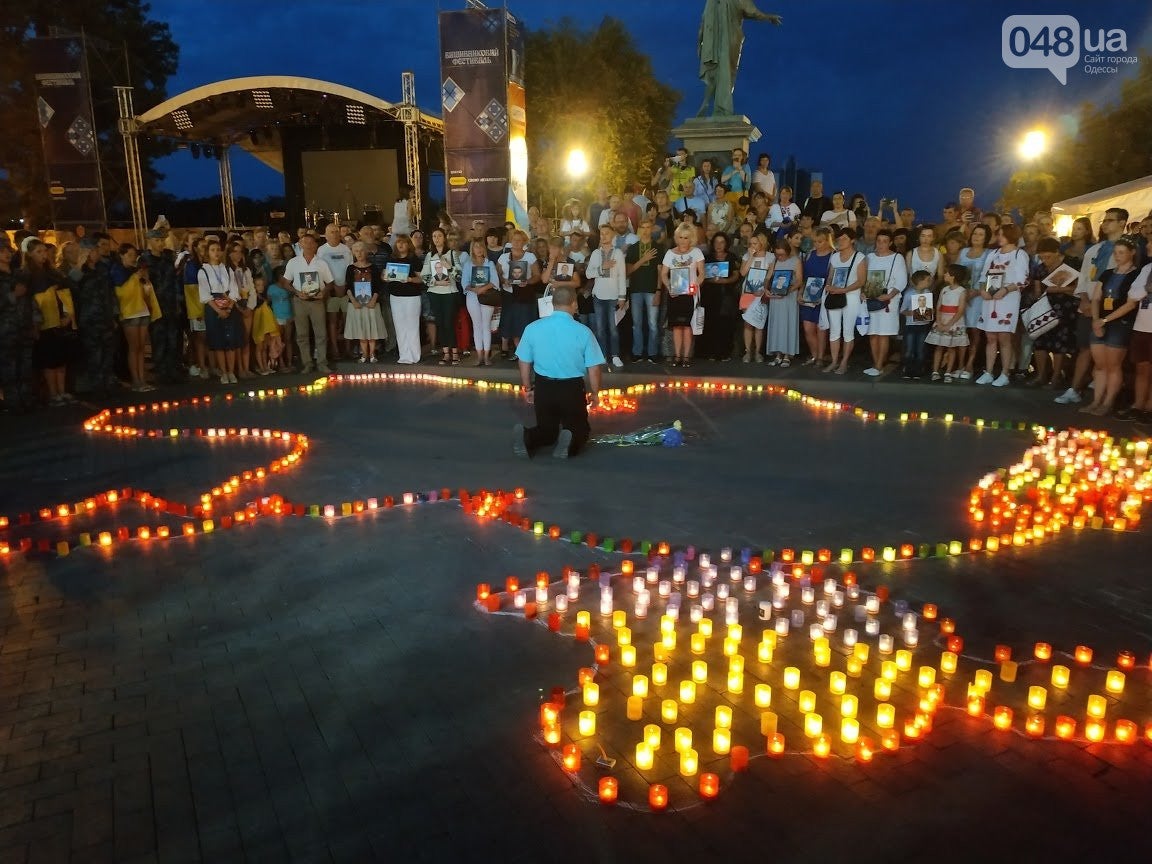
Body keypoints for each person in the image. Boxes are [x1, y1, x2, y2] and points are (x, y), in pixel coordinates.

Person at [513, 283, 604, 460]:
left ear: (552, 303)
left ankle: (527, 436)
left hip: (543, 386)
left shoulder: (532, 328)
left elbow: (524, 361)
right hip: (571, 388)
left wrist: (528, 388)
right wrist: (595, 392)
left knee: (546, 431)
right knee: (580, 429)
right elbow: (594, 368)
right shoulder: (583, 332)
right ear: (575, 304)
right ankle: (570, 439)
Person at [1056, 207, 1128, 405]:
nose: (1105, 224)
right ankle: (1075, 388)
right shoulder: (1094, 250)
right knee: (1085, 348)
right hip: (1088, 305)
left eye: (1110, 220)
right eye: (1104, 221)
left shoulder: (1128, 247)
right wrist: (1085, 300)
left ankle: (1107, 395)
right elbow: (1085, 278)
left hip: (1113, 309)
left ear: (1122, 223)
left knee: (1110, 352)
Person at [1080, 236, 1141, 416]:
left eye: (1122, 253)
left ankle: (1108, 402)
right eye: (1115, 253)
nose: (1117, 256)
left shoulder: (1135, 274)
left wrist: (1105, 320)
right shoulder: (1107, 273)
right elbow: (1097, 297)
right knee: (1100, 365)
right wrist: (1096, 319)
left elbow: (1130, 304)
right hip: (1101, 321)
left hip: (1120, 323)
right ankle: (1096, 400)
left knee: (1113, 365)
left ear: (1132, 253)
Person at [696, 0, 782, 117]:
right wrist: (768, 17)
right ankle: (718, 108)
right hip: (725, 40)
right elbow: (753, 12)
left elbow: (703, 21)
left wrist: (700, 42)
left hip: (719, 40)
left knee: (717, 72)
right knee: (723, 73)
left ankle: (713, 107)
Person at [23, 239, 78, 405]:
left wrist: (68, 314)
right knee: (49, 360)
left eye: (44, 251)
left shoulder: (53, 273)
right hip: (44, 322)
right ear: (29, 254)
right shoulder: (28, 275)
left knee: (61, 358)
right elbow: (30, 302)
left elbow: (66, 292)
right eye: (38, 252)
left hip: (60, 319)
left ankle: (62, 391)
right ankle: (53, 393)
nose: (43, 255)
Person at [975, 224, 1029, 387]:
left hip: (1007, 299)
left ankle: (1005, 372)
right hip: (990, 299)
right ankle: (989, 372)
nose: (999, 237)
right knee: (990, 336)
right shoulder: (993, 254)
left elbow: (1023, 280)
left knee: (1004, 337)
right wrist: (982, 289)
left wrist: (1006, 289)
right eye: (998, 234)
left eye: (1002, 234)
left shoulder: (1020, 254)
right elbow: (983, 276)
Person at [1026, 237, 1080, 388]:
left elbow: (1079, 289)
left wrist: (1057, 289)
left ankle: (1056, 377)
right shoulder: (1040, 268)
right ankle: (1041, 375)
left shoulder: (1071, 264)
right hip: (1044, 309)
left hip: (1065, 308)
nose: (1045, 260)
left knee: (1059, 344)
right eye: (1042, 257)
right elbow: (1037, 290)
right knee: (1039, 342)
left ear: (1057, 252)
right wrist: (1036, 294)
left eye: (1048, 256)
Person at [280, 234, 334, 374]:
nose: (309, 245)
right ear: (300, 244)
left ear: (315, 245)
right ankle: (307, 363)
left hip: (317, 302)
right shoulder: (293, 262)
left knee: (321, 333)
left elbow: (330, 283)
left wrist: (324, 292)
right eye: (306, 242)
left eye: (311, 242)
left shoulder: (321, 263)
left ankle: (322, 363)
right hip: (300, 302)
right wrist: (296, 292)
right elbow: (285, 283)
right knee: (302, 335)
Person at [72, 238, 118, 395]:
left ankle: (107, 383)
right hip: (89, 320)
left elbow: (110, 293)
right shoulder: (79, 271)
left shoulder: (103, 268)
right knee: (94, 355)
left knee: (108, 353)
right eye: (94, 250)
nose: (97, 252)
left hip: (105, 317)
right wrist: (80, 264)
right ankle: (96, 386)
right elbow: (71, 286)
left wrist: (113, 314)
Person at [112, 243, 160, 392]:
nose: (133, 258)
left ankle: (142, 379)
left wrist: (145, 280)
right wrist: (134, 278)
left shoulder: (136, 272)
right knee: (133, 348)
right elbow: (121, 295)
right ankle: (136, 380)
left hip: (142, 311)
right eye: (130, 255)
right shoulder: (118, 271)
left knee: (141, 347)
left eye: (134, 255)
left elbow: (147, 292)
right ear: (122, 255)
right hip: (129, 313)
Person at [860, 229, 908, 375]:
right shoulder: (869, 257)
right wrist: (862, 291)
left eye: (884, 241)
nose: (881, 244)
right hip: (871, 298)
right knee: (872, 333)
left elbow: (901, 280)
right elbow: (863, 278)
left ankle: (880, 365)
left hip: (888, 301)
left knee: (883, 333)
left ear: (890, 243)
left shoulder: (897, 258)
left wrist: (890, 295)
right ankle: (876, 364)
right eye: (879, 241)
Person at [197, 239, 242, 384]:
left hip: (229, 304)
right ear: (208, 253)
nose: (216, 252)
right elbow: (205, 295)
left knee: (231, 340)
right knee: (219, 341)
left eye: (218, 249)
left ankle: (231, 371)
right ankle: (224, 372)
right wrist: (218, 310)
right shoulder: (203, 271)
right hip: (213, 307)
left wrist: (229, 307)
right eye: (212, 250)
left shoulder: (227, 269)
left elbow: (234, 290)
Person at [661, 224, 707, 367]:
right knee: (676, 326)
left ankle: (686, 357)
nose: (682, 240)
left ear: (691, 238)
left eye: (686, 238)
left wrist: (695, 286)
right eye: (680, 237)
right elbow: (663, 274)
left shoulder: (697, 252)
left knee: (687, 326)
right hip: (675, 294)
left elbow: (702, 274)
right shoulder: (670, 253)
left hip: (690, 293)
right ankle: (677, 356)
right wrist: (669, 287)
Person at [822, 227, 866, 375]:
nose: (840, 241)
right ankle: (834, 361)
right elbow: (830, 275)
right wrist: (829, 285)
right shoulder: (835, 257)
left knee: (848, 331)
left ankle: (844, 362)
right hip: (836, 294)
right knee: (834, 330)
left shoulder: (859, 257)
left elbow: (861, 281)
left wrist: (843, 290)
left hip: (851, 296)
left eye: (844, 238)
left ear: (852, 240)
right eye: (839, 239)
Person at [585, 225, 627, 369]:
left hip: (614, 296)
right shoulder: (596, 253)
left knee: (613, 328)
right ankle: (602, 355)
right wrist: (603, 267)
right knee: (600, 328)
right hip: (599, 296)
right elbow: (588, 273)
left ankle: (615, 355)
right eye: (601, 234)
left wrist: (622, 297)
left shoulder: (618, 254)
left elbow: (622, 275)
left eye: (607, 233)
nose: (603, 236)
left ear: (613, 235)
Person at [956, 224, 993, 381]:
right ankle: (959, 364)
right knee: (960, 330)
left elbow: (991, 276)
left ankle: (970, 364)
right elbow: (956, 272)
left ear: (986, 238)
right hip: (961, 295)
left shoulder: (989, 254)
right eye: (975, 233)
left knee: (975, 332)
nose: (977, 237)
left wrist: (976, 292)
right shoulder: (963, 252)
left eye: (981, 234)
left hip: (978, 298)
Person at [498, 229, 542, 354]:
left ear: (524, 241)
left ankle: (522, 351)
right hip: (509, 294)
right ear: (510, 241)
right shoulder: (503, 257)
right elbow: (498, 274)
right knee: (509, 321)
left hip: (525, 294)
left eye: (519, 240)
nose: (516, 242)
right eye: (514, 240)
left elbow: (537, 275)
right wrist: (503, 280)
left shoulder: (530, 256)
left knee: (524, 322)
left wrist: (527, 281)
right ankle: (515, 350)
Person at [422, 227, 462, 365]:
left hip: (450, 293)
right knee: (440, 323)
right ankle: (445, 353)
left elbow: (459, 275)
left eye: (439, 236)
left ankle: (455, 352)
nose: (437, 238)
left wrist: (449, 267)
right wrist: (436, 282)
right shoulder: (429, 256)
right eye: (434, 236)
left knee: (449, 323)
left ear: (444, 238)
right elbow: (424, 276)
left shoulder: (451, 254)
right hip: (435, 293)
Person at [383, 234, 426, 365]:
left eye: (403, 243)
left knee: (412, 325)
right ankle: (404, 355)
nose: (400, 245)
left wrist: (410, 279)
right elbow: (384, 275)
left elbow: (421, 279)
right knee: (399, 326)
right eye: (398, 243)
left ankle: (414, 355)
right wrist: (385, 277)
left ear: (408, 244)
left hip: (411, 296)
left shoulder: (414, 259)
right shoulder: (391, 258)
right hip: (396, 296)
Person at [625, 220, 663, 363]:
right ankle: (637, 352)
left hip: (652, 289)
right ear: (639, 229)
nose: (646, 230)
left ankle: (653, 353)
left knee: (653, 323)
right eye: (643, 227)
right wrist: (643, 259)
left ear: (652, 228)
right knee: (637, 323)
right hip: (636, 289)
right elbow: (628, 271)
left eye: (648, 227)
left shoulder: (658, 247)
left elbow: (660, 271)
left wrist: (659, 290)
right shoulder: (633, 248)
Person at [343, 241, 387, 364]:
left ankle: (372, 354)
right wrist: (353, 301)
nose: (359, 253)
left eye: (361, 250)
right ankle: (364, 354)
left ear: (366, 252)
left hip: (371, 304)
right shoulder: (350, 268)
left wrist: (373, 300)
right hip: (356, 304)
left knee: (372, 331)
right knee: (361, 331)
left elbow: (378, 286)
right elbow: (348, 287)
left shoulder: (373, 268)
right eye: (356, 251)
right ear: (353, 253)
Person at [1120, 258, 1152, 422]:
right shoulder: (1147, 268)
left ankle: (1149, 407)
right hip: (1142, 326)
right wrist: (1147, 288)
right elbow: (1132, 294)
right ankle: (1137, 405)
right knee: (1142, 368)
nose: (1148, 245)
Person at [925, 263, 969, 382]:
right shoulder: (944, 290)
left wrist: (949, 324)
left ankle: (948, 372)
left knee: (951, 347)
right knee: (939, 346)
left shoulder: (962, 291)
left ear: (953, 276)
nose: (944, 275)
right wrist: (939, 322)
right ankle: (935, 371)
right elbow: (939, 306)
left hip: (954, 321)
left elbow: (960, 311)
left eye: (947, 273)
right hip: (942, 319)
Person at [316, 224, 354, 363]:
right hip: (330, 291)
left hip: (345, 290)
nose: (334, 234)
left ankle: (348, 348)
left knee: (347, 320)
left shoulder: (346, 249)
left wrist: (344, 286)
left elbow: (351, 268)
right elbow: (320, 271)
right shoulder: (321, 250)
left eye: (337, 232)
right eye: (331, 232)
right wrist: (331, 287)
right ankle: (335, 349)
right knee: (332, 321)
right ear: (326, 235)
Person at [765, 234, 801, 366]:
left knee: (788, 324)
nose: (780, 257)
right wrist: (766, 288)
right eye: (777, 254)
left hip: (789, 297)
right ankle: (778, 354)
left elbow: (799, 281)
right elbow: (768, 277)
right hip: (776, 297)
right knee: (776, 324)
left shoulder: (796, 261)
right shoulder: (774, 261)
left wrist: (787, 291)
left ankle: (787, 354)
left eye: (782, 255)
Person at [800, 226, 832, 366]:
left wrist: (824, 294)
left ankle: (820, 356)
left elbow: (832, 278)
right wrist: (801, 293)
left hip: (823, 295)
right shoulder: (809, 254)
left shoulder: (833, 256)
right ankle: (814, 355)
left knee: (821, 329)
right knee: (808, 328)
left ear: (827, 241)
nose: (817, 244)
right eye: (815, 241)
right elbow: (804, 277)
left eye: (820, 241)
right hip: (808, 294)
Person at [226, 242, 258, 377]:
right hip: (234, 306)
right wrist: (238, 307)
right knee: (237, 339)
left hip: (247, 305)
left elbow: (252, 289)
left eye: (240, 252)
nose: (238, 255)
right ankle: (239, 369)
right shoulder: (227, 270)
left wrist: (250, 307)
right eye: (235, 251)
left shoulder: (246, 270)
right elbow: (228, 292)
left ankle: (246, 368)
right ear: (229, 253)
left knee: (246, 338)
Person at [181, 234, 209, 378]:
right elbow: (191, 291)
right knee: (199, 338)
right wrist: (197, 311)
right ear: (196, 248)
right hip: (197, 307)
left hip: (209, 306)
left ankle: (207, 364)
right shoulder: (191, 265)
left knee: (207, 338)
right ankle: (199, 365)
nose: (206, 249)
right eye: (203, 247)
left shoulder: (208, 264)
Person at [899, 270, 934, 379]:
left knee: (920, 348)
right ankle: (908, 370)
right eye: (928, 280)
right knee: (909, 348)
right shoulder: (909, 293)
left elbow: (930, 309)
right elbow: (902, 310)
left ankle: (918, 370)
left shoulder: (928, 292)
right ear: (920, 281)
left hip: (923, 325)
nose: (930, 282)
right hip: (911, 325)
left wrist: (930, 312)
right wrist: (914, 313)